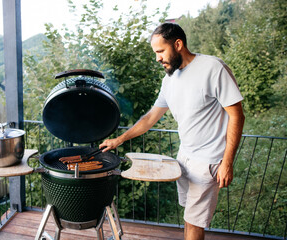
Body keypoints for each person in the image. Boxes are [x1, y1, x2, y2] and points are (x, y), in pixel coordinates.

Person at [99, 23, 245, 240]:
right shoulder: (169, 79)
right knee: (189, 216)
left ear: (178, 44)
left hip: (208, 160)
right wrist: (118, 140)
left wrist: (227, 162)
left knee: (195, 223)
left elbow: (237, 115)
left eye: (160, 51)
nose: (157, 58)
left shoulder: (213, 68)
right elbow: (150, 118)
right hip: (184, 157)